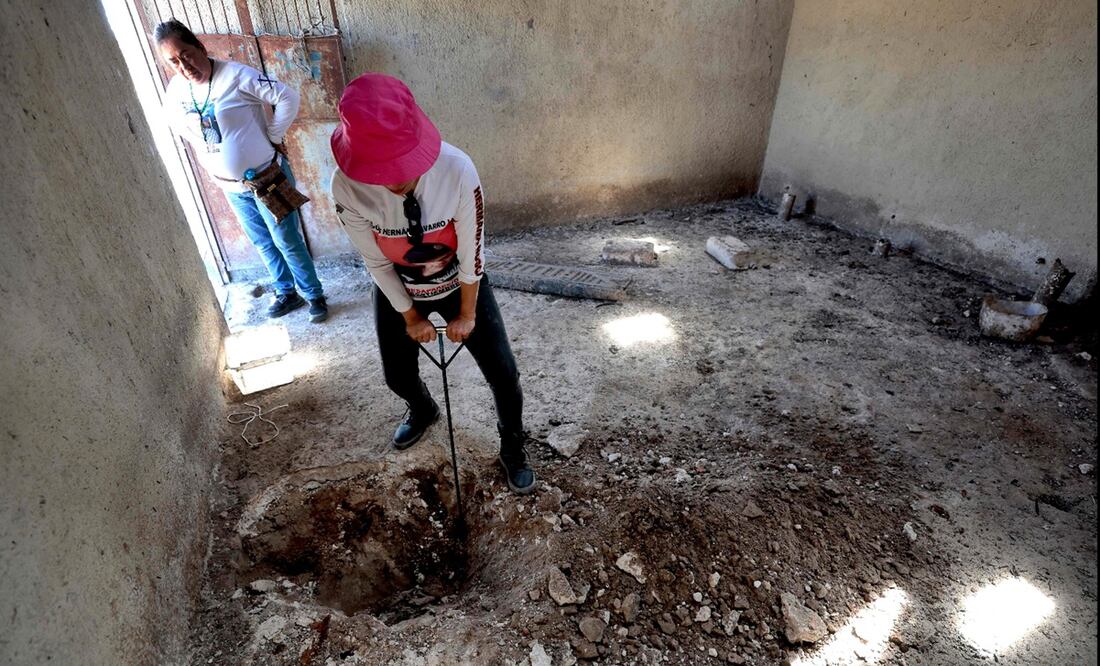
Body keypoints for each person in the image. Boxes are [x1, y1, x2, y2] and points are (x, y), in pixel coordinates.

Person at [329, 73, 536, 494]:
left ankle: (513, 446)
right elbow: (374, 261)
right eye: (379, 170)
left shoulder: (457, 169)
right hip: (398, 288)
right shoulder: (345, 187)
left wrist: (467, 312)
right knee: (396, 376)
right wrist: (409, 315)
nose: (392, 181)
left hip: (461, 283)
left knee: (503, 373)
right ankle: (422, 409)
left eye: (399, 166)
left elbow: (472, 249)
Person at [155, 19, 328, 322]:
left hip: (267, 178)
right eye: (173, 61)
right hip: (231, 187)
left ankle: (313, 294)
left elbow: (287, 97)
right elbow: (174, 123)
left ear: (200, 46)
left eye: (186, 55)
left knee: (286, 239)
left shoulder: (236, 75)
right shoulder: (176, 90)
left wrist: (273, 137)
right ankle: (286, 292)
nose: (183, 66)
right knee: (262, 241)